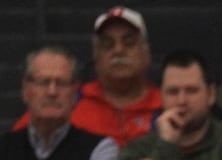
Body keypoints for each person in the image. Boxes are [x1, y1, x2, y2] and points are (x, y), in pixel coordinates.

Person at [17, 7, 160, 147]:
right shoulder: (69, 99)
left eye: (129, 43)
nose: (118, 50)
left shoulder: (166, 105)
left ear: (147, 53)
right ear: (96, 56)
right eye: (108, 44)